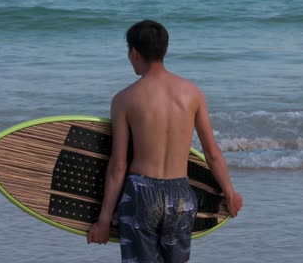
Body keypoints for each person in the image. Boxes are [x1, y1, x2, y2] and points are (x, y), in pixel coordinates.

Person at [87, 20, 243, 262]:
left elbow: (118, 165)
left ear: (134, 52)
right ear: (165, 51)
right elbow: (212, 153)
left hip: (141, 193)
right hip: (181, 194)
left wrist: (104, 220)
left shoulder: (124, 99)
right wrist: (230, 193)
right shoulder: (193, 93)